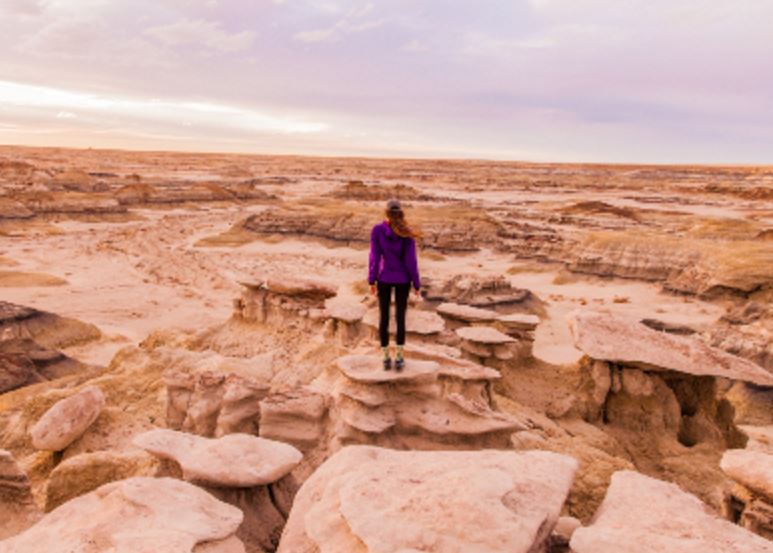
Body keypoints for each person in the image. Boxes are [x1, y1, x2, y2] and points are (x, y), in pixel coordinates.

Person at [368, 198, 421, 371]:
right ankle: (399, 358)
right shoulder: (406, 232)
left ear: (386, 213)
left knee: (383, 317)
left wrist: (372, 280)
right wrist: (416, 283)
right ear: (401, 213)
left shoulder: (377, 230)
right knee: (400, 318)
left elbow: (374, 257)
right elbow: (411, 261)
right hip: (403, 280)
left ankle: (385, 358)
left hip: (383, 278)